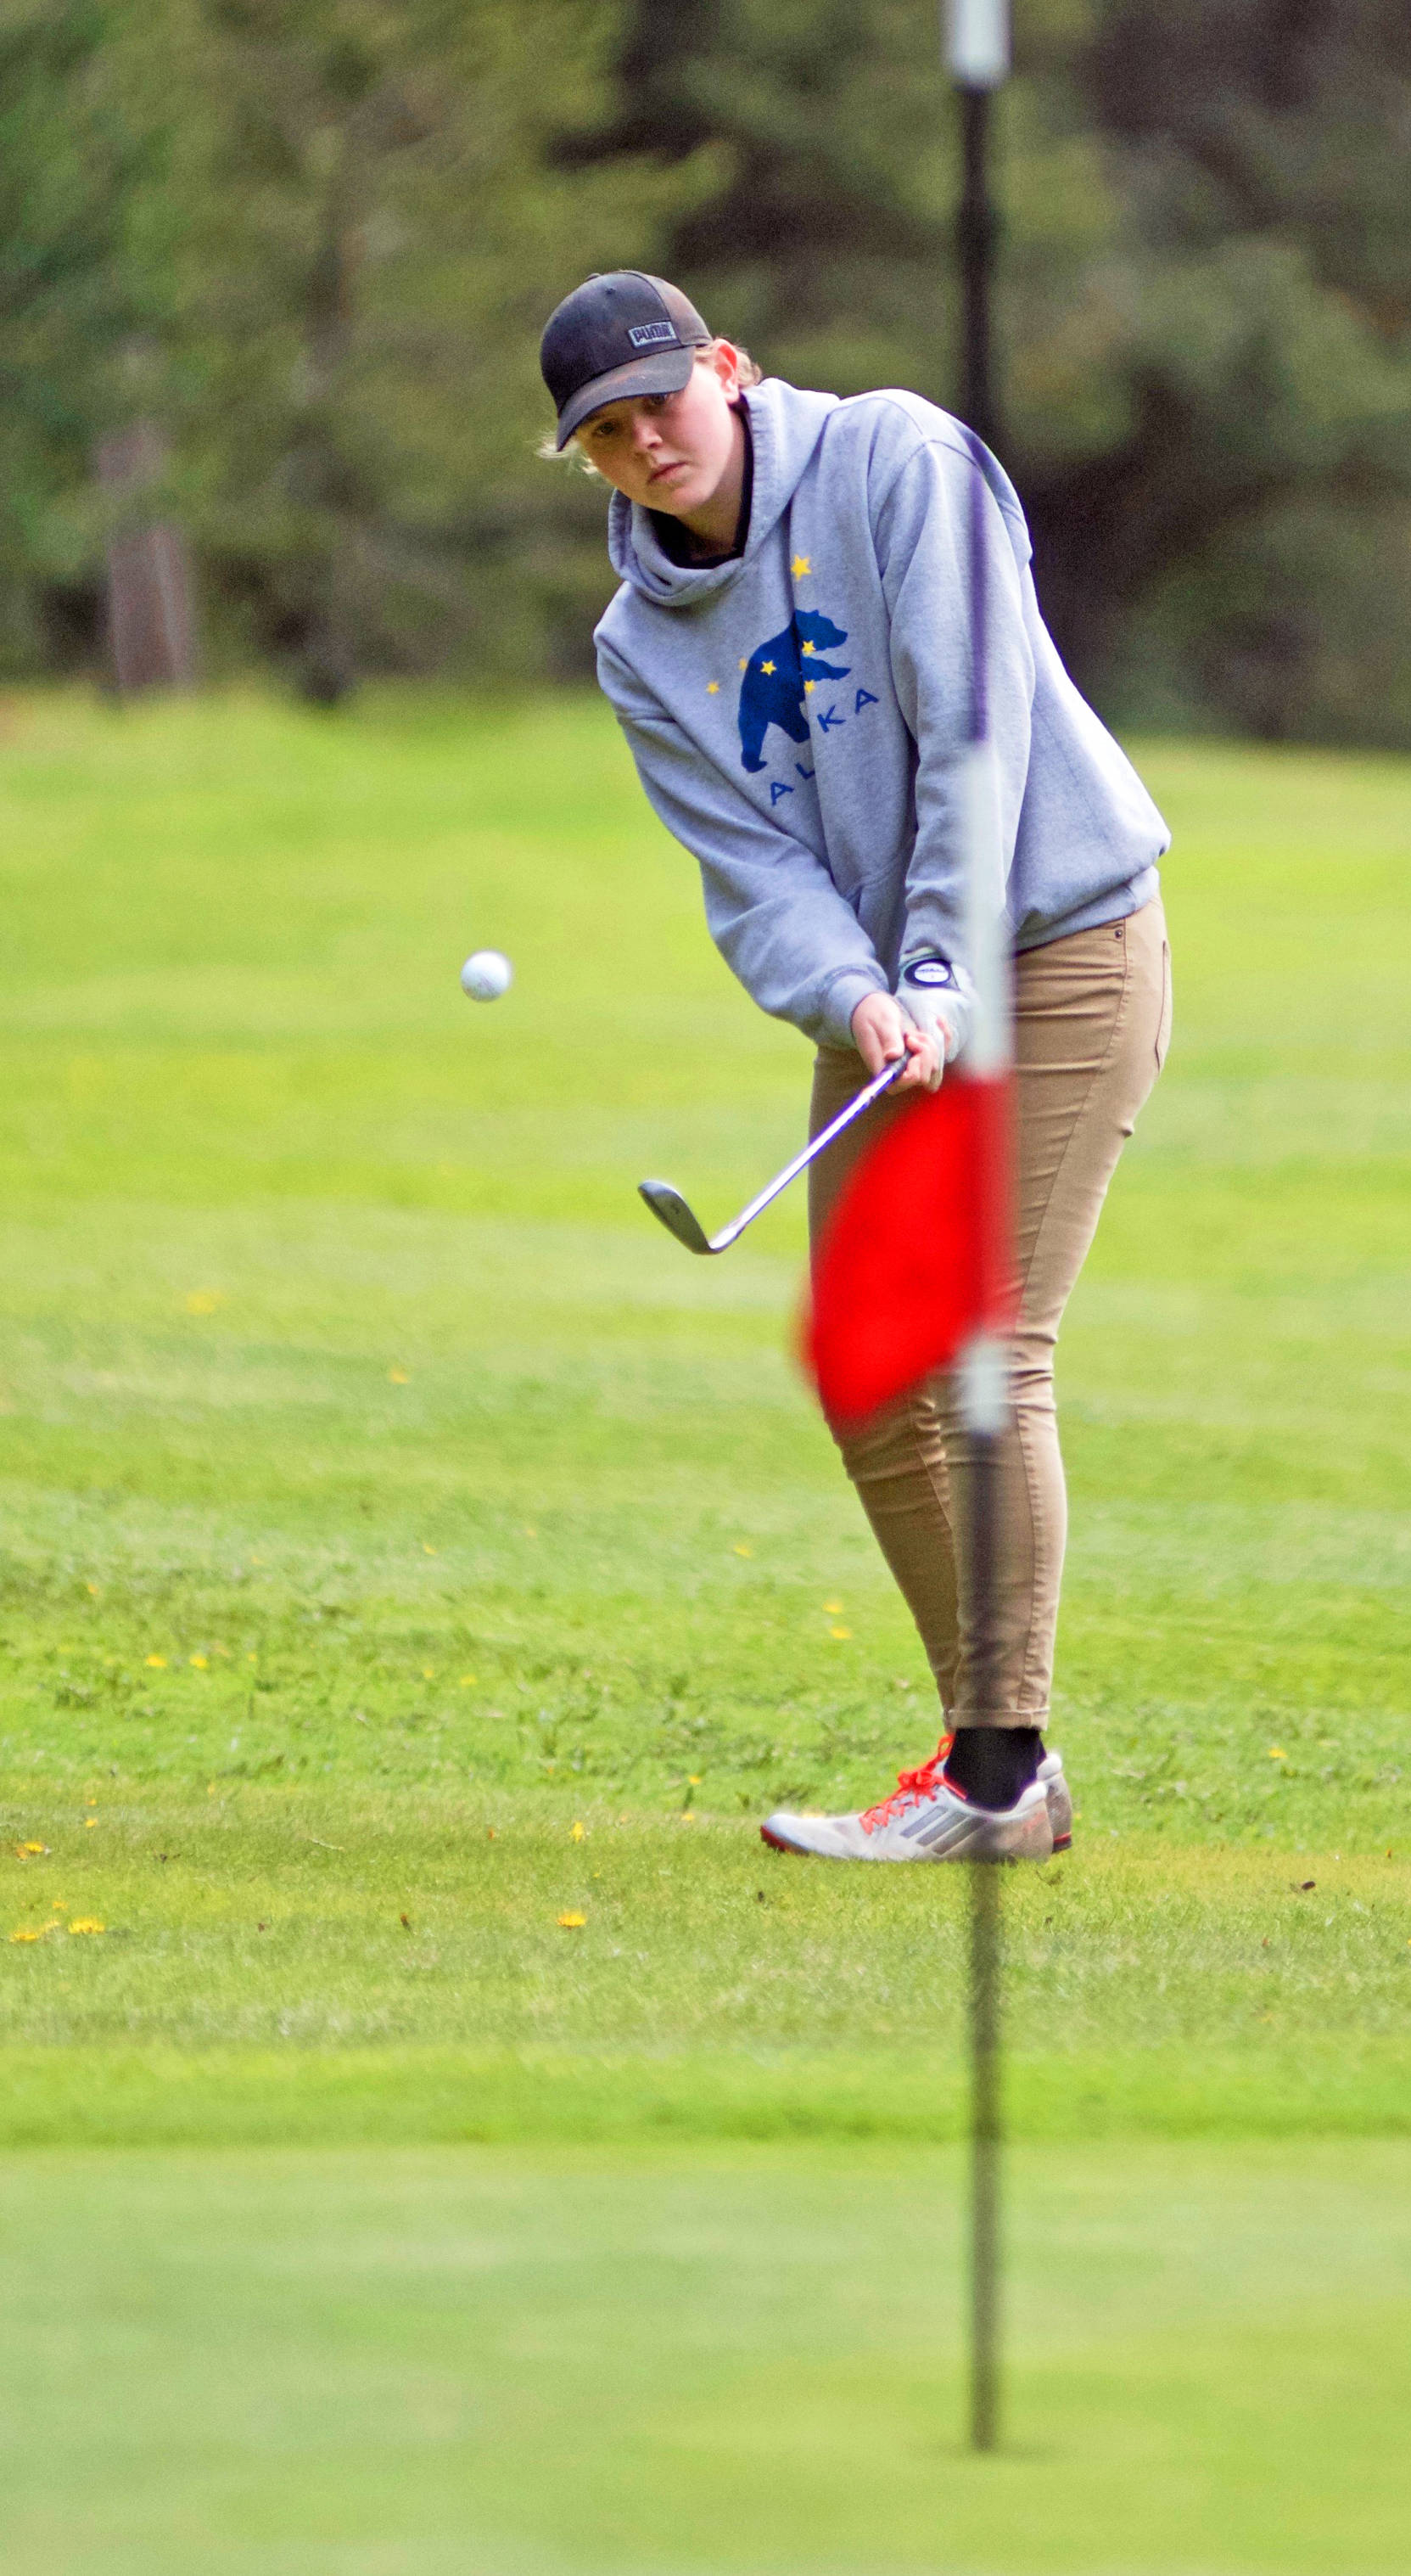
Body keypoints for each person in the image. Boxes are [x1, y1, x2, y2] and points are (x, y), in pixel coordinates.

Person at [541, 270, 1172, 1862]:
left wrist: (949, 969)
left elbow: (977, 730)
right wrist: (855, 995)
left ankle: (995, 1775)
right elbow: (751, 867)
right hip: (899, 998)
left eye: (659, 405)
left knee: (982, 1347)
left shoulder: (900, 461)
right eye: (605, 434)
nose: (644, 444)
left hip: (1059, 942)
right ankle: (989, 1767)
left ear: (730, 371)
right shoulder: (638, 642)